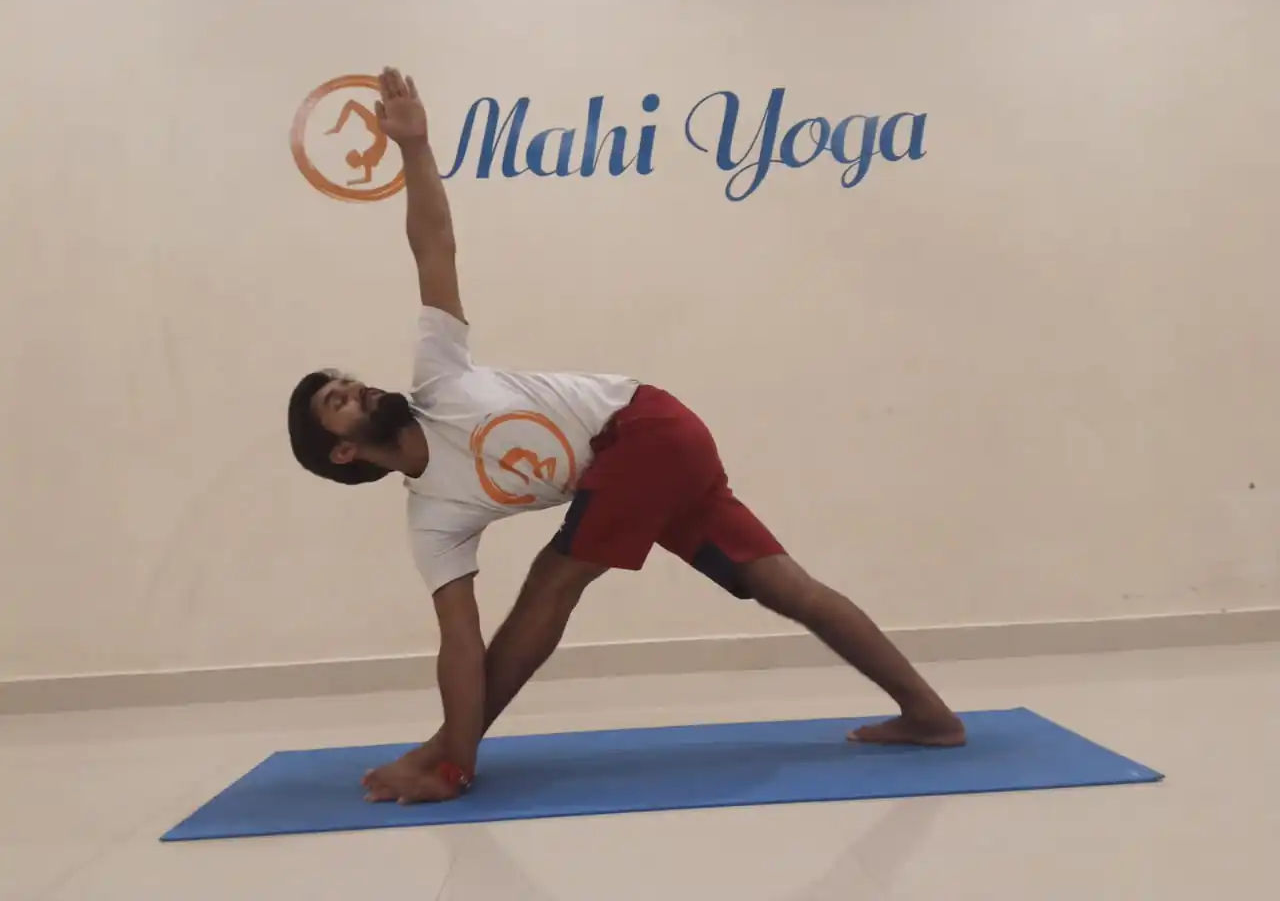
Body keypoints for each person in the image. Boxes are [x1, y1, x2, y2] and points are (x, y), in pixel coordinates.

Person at [287, 67, 966, 806]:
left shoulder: (439, 374)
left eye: (348, 382)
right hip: (646, 463)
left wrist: (416, 149)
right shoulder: (433, 519)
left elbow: (435, 248)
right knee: (782, 586)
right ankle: (930, 716)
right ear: (344, 453)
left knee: (553, 580)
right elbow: (459, 640)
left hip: (643, 427)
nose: (356, 390)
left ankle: (454, 760)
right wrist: (449, 727)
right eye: (337, 402)